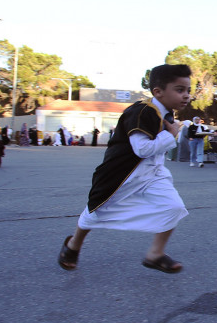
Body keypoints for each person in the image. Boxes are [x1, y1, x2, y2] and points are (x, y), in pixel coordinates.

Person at [58, 64, 193, 274]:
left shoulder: (166, 114)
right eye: (180, 90)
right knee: (95, 213)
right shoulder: (142, 111)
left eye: (188, 91)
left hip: (153, 174)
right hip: (123, 175)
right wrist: (171, 134)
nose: (186, 96)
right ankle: (73, 245)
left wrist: (169, 132)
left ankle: (155, 254)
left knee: (173, 208)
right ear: (158, 91)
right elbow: (142, 149)